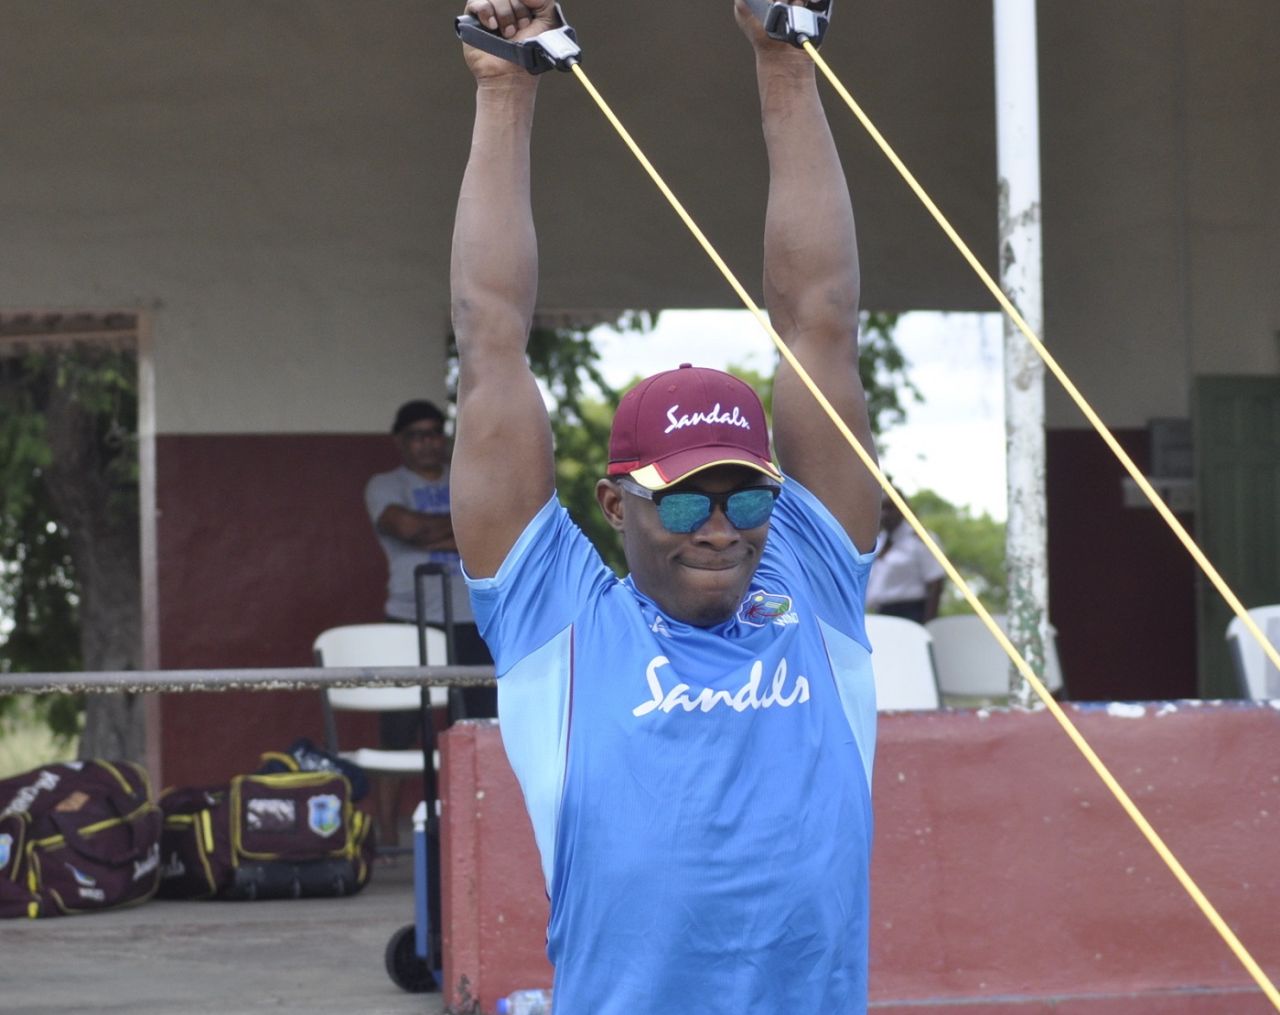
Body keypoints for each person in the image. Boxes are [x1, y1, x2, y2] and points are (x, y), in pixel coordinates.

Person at [451, 1, 881, 1010]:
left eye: (743, 495)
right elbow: (489, 344)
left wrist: (783, 56)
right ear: (615, 503)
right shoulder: (557, 618)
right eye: (683, 505)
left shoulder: (810, 580)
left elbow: (816, 321)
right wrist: (502, 89)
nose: (721, 527)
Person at [364, 399, 496, 845]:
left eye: (434, 433)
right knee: (398, 729)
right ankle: (386, 837)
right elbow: (407, 529)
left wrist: (442, 529)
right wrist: (461, 530)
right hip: (409, 618)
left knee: (483, 725)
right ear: (401, 442)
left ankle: (485, 834)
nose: (427, 444)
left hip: (471, 618)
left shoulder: (467, 479)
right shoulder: (384, 484)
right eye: (417, 435)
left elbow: (493, 526)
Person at [866, 493, 946, 623]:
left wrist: (928, 625)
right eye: (881, 508)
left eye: (890, 508)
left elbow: (936, 583)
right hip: (881, 615)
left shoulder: (920, 540)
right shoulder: (878, 542)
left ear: (903, 509)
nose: (885, 514)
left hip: (910, 614)